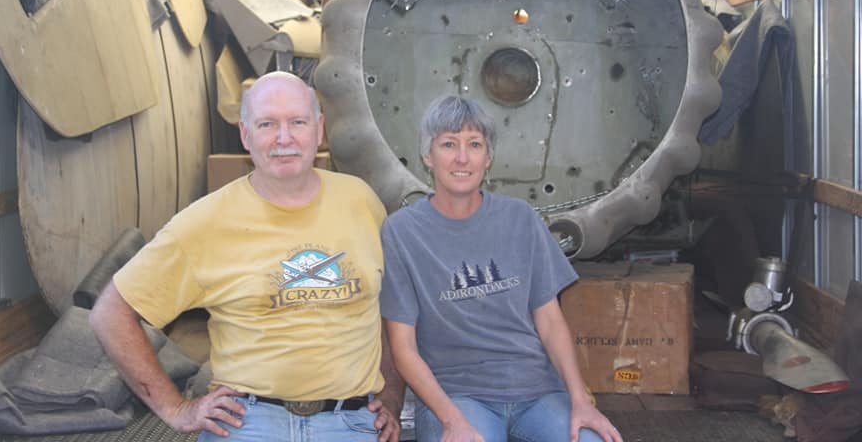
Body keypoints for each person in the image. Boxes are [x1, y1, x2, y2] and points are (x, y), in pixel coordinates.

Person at [90, 71, 404, 442]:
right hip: (249, 423)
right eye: (267, 124)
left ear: (319, 130)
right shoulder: (203, 223)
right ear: (245, 135)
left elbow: (386, 308)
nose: (284, 138)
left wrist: (392, 395)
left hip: (351, 422)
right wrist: (175, 409)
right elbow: (110, 313)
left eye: (297, 122)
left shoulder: (361, 201)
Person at [380, 95, 622, 442]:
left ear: (488, 157)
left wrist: (581, 401)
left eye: (474, 144)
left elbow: (551, 322)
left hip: (538, 392)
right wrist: (451, 420)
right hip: (458, 397)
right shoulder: (401, 233)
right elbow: (403, 347)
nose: (462, 158)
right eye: (449, 144)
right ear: (427, 157)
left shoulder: (521, 219)